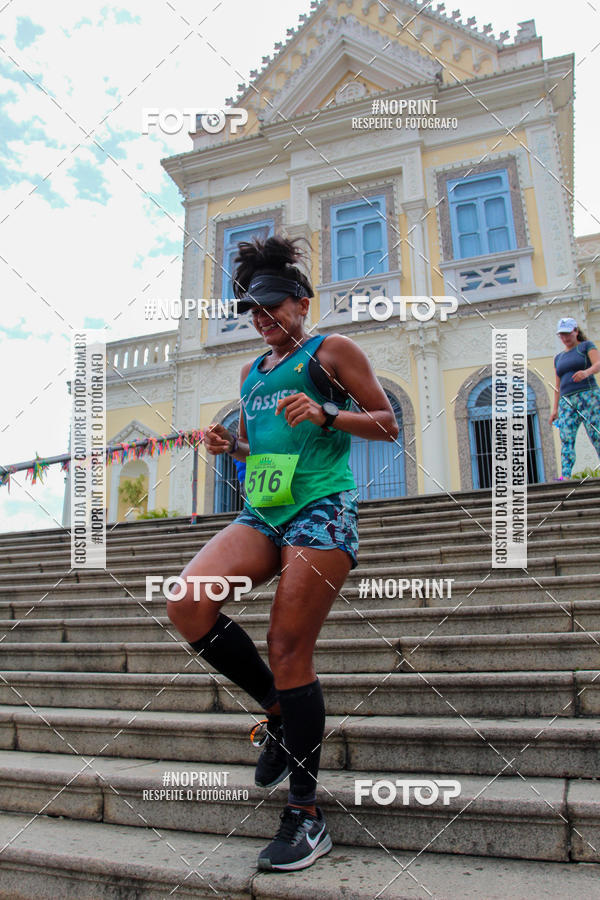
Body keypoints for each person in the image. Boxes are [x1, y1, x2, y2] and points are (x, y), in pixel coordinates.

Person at [167, 235, 398, 872]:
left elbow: (387, 423)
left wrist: (327, 413)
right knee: (188, 602)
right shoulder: (253, 373)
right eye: (254, 311)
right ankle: (275, 708)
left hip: (322, 509)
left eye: (274, 308)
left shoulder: (333, 351)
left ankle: (306, 813)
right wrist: (228, 449)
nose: (264, 320)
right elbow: (266, 447)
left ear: (302, 303)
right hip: (263, 510)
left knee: (288, 645)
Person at [550, 317, 600, 478]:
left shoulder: (586, 347)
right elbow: (557, 385)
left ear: (576, 331)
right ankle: (565, 476)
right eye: (562, 335)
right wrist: (555, 409)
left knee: (596, 434)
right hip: (567, 401)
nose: (565, 338)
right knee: (566, 438)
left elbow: (598, 363)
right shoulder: (558, 358)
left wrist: (586, 372)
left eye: (568, 333)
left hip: (588, 396)